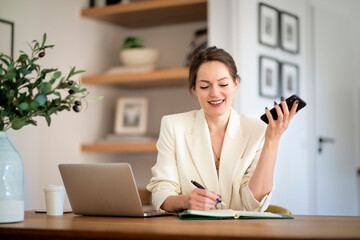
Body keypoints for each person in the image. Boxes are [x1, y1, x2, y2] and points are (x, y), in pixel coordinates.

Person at [146, 46, 298, 212]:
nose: (215, 93)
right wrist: (185, 201)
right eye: (205, 87)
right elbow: (160, 193)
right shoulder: (173, 126)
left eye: (223, 84)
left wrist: (272, 140)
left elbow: (254, 203)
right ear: (194, 89)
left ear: (235, 84)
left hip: (241, 233)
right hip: (193, 232)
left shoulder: (258, 130)